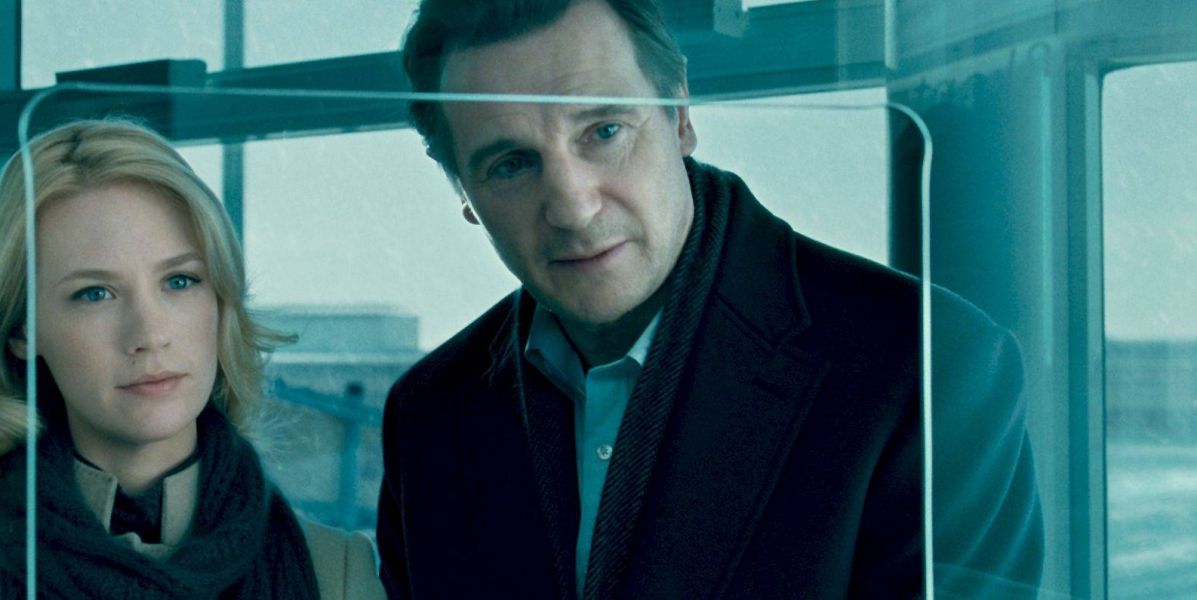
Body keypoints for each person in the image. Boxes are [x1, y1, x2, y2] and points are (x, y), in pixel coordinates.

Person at [376, 1, 1043, 598]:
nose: (573, 208)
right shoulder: (426, 413)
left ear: (679, 116)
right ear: (463, 193)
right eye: (512, 164)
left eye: (604, 131)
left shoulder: (930, 366)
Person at [0, 120, 386, 600]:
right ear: (22, 328)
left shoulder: (335, 572)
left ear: (220, 301)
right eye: (95, 293)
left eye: (180, 281)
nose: (149, 335)